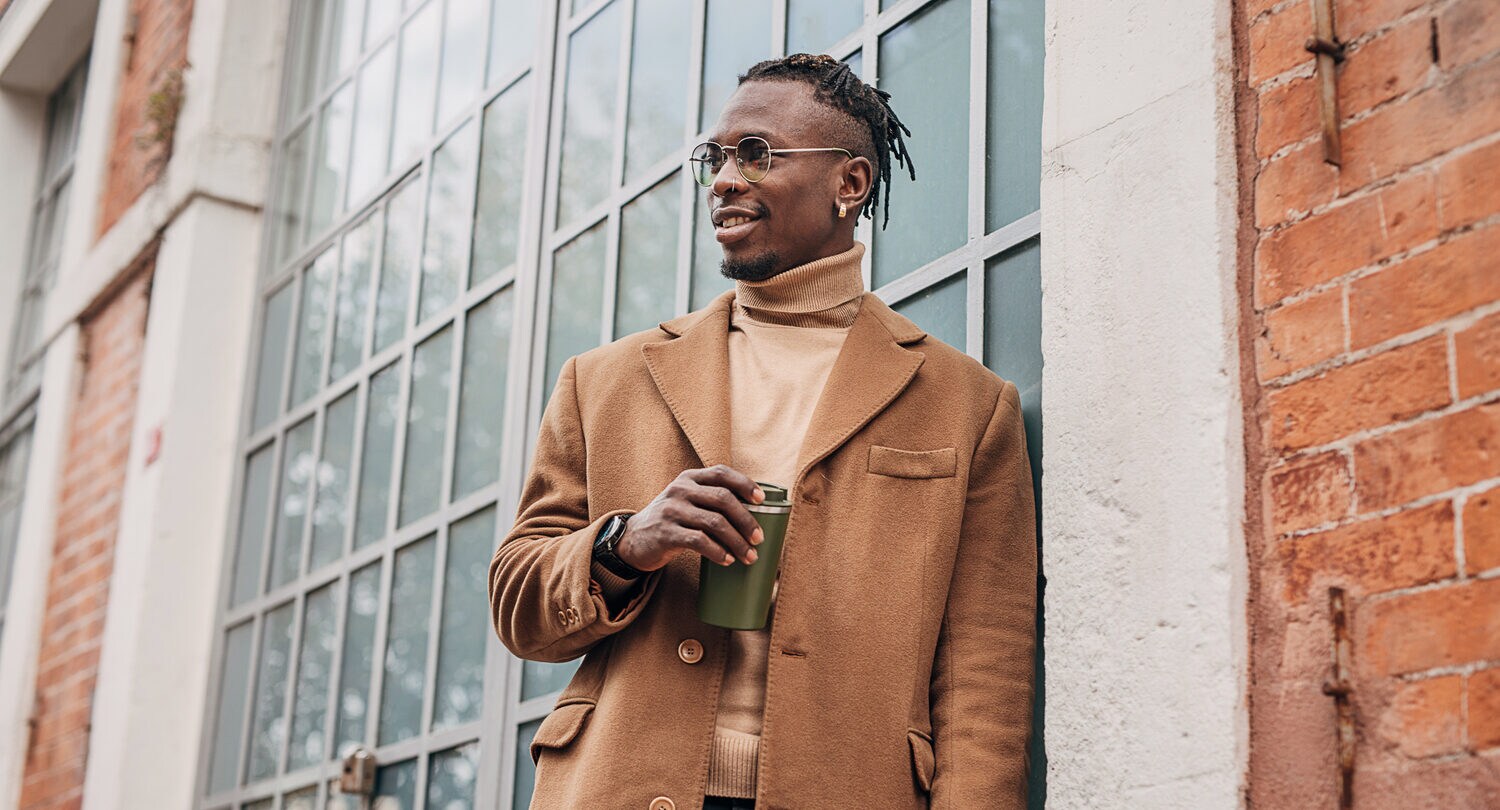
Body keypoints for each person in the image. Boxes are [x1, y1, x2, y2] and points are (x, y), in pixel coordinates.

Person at [489, 53, 1037, 810]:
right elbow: (519, 606)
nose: (723, 178)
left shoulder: (968, 406)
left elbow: (986, 674)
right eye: (715, 158)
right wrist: (624, 543)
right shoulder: (605, 380)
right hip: (618, 785)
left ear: (851, 184)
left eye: (756, 153)